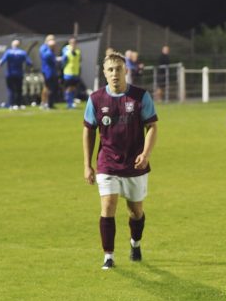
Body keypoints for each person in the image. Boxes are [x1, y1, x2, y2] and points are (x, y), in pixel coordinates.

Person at [82, 52, 159, 270]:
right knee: (108, 206)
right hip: (107, 162)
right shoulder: (96, 99)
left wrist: (146, 154)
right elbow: (88, 130)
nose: (115, 73)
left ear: (126, 71)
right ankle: (109, 256)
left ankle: (135, 243)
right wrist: (87, 164)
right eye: (110, 70)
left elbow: (152, 126)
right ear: (104, 73)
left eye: (118, 69)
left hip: (135, 164)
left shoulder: (140, 96)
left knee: (135, 212)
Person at [0, 39, 33, 110]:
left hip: (10, 74)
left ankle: (11, 104)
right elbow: (29, 62)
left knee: (11, 90)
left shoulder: (8, 52)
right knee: (19, 90)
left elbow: (2, 61)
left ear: (12, 45)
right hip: (19, 73)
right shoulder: (22, 53)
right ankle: (18, 104)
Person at [39, 34, 59, 109]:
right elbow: (45, 57)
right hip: (46, 70)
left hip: (52, 70)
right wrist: (50, 49)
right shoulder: (44, 48)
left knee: (51, 87)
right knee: (47, 87)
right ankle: (44, 102)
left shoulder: (51, 49)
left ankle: (49, 103)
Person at [62, 37, 82, 109]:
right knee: (69, 88)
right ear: (69, 42)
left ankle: (71, 102)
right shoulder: (66, 49)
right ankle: (68, 103)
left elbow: (79, 59)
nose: (73, 44)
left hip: (75, 72)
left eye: (75, 42)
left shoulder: (78, 50)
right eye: (72, 42)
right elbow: (64, 59)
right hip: (68, 72)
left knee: (73, 88)